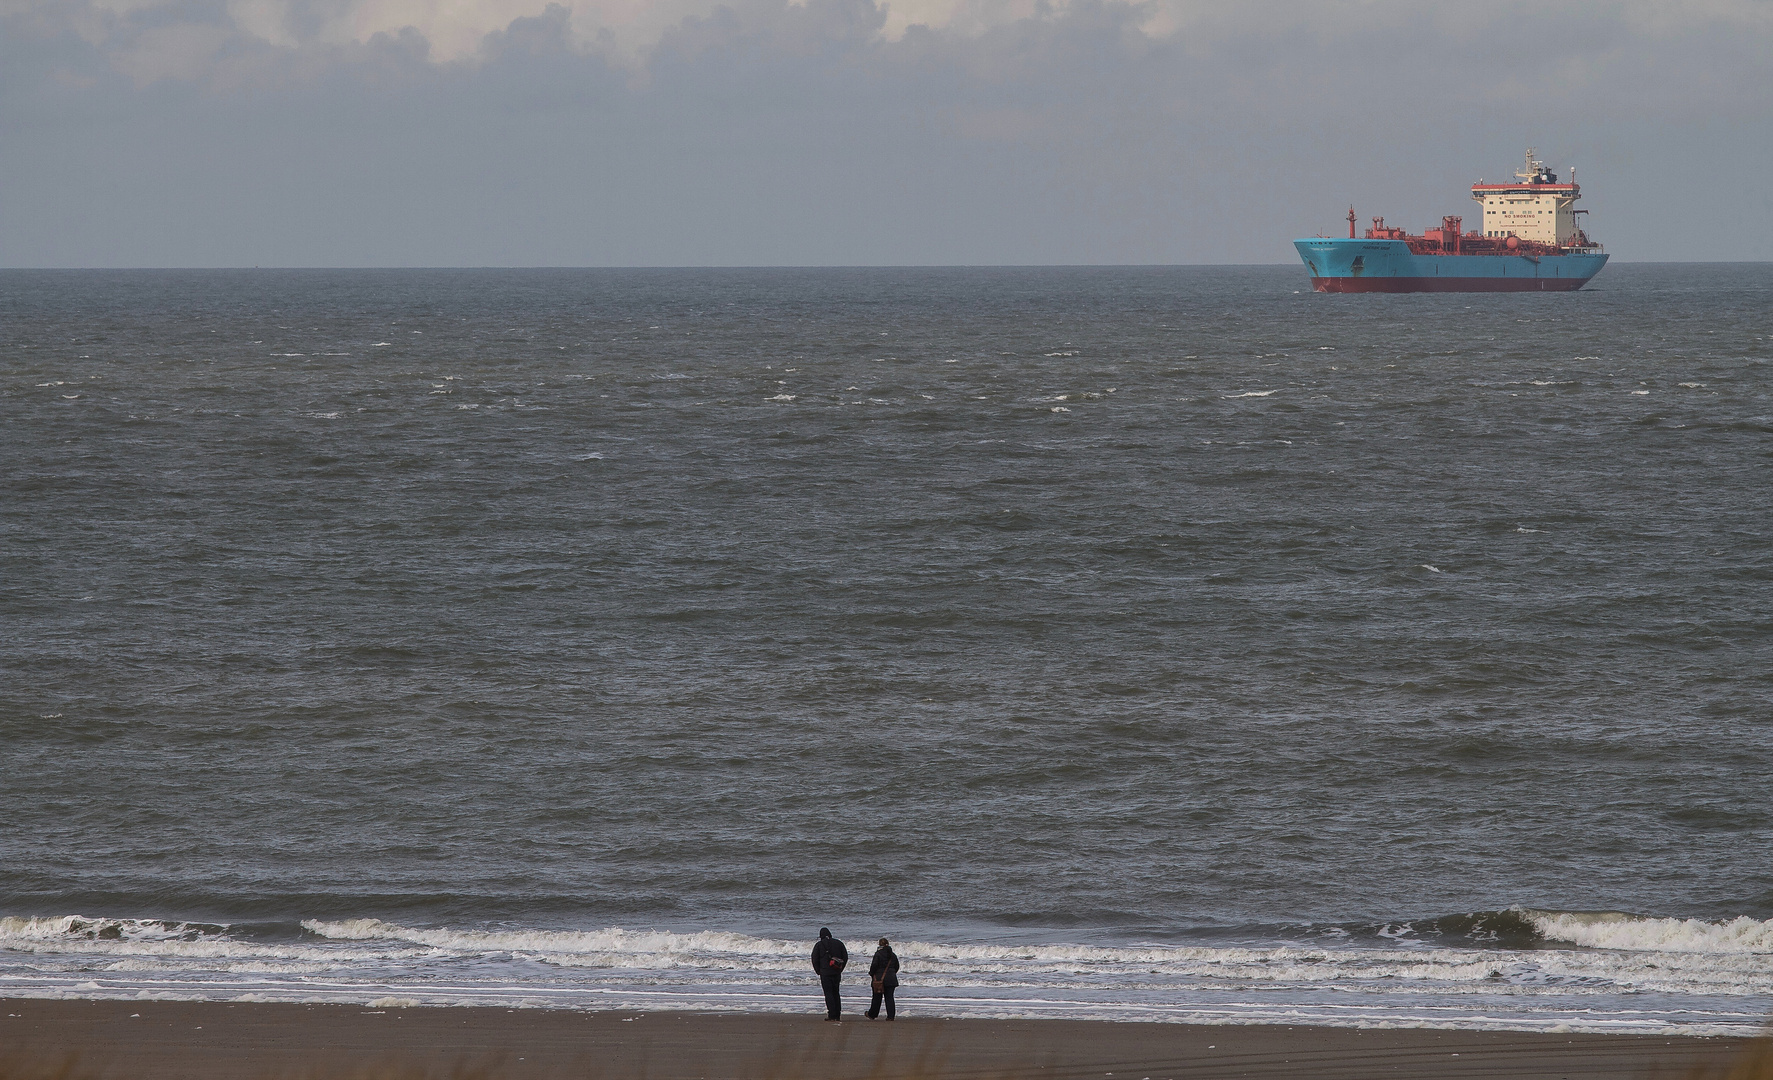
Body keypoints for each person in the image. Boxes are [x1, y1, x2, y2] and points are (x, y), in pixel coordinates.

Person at [810, 927, 848, 1020]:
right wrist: (841, 968)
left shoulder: (819, 945)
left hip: (825, 973)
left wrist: (818, 971)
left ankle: (832, 1015)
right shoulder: (839, 943)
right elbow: (845, 957)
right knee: (836, 993)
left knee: (828, 994)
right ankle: (838, 1015)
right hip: (836, 972)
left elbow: (814, 959)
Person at [866, 937, 899, 1020]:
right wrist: (892, 973)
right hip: (891, 979)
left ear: (880, 945)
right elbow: (897, 967)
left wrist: (871, 973)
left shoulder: (878, 954)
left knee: (877, 997)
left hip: (879, 979)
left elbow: (874, 966)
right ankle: (891, 1016)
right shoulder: (893, 955)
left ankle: (872, 1014)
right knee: (889, 997)